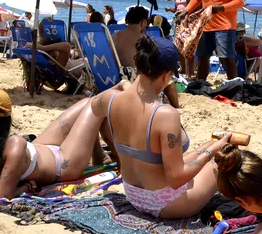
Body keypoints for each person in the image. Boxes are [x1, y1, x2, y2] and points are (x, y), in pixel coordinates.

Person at [90, 35, 232, 219]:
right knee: (220, 161)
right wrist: (212, 151)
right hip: (167, 204)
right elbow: (176, 179)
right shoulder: (165, 114)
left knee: (206, 147)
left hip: (133, 195)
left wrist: (123, 84)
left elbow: (94, 106)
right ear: (166, 75)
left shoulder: (110, 100)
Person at [0, 88, 111, 198]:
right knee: (95, 104)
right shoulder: (14, 146)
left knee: (88, 102)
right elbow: (2, 197)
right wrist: (24, 188)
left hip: (40, 148)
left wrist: (21, 186)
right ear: (7, 122)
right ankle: (116, 156)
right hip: (62, 165)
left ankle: (99, 154)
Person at [179, 0, 245, 81]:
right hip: (206, 24)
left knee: (227, 58)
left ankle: (235, 85)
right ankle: (200, 84)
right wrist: (186, 11)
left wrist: (221, 8)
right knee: (202, 57)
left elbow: (239, 1)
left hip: (225, 26)